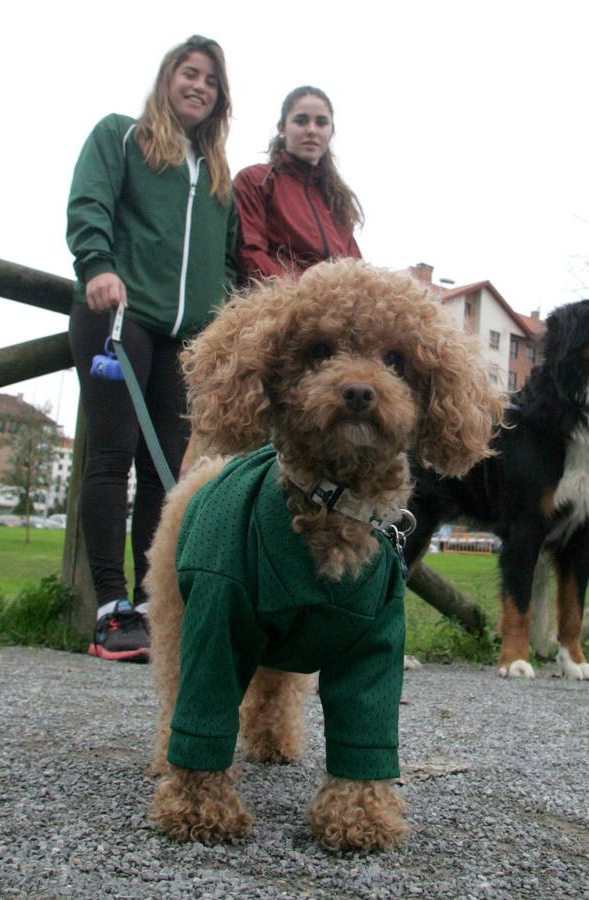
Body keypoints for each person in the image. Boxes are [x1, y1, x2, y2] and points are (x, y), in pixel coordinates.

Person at [65, 36, 238, 662]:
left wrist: (220, 322)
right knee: (112, 455)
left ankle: (147, 604)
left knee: (167, 468)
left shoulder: (218, 177)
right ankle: (109, 607)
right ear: (168, 79)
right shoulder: (121, 136)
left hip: (183, 338)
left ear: (220, 98)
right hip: (120, 312)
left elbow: (225, 261)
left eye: (211, 81)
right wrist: (97, 264)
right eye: (188, 74)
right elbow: (90, 202)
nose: (198, 86)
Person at [232, 86, 362, 282]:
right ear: (282, 127)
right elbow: (250, 253)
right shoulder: (256, 181)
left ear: (331, 131)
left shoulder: (337, 199)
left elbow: (356, 266)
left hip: (336, 307)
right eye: (301, 121)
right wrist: (305, 292)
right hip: (277, 305)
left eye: (321, 122)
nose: (311, 130)